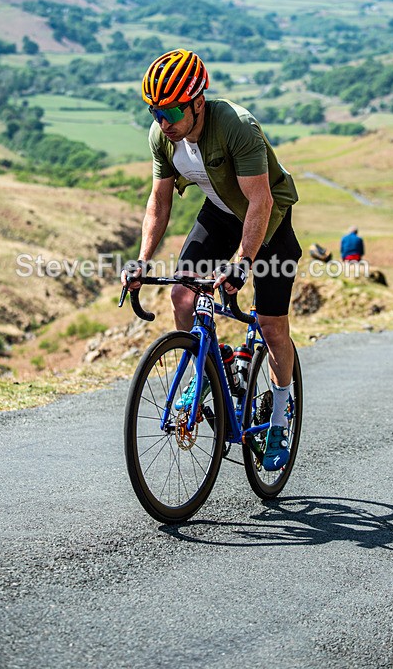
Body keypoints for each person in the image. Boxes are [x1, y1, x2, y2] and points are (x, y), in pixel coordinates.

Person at [122, 48, 302, 471]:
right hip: (221, 213)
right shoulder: (162, 136)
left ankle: (279, 415)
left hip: (268, 220)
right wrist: (142, 259)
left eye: (169, 110)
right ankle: (208, 368)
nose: (161, 121)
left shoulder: (236, 127)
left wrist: (242, 261)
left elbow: (261, 199)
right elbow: (159, 202)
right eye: (154, 110)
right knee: (183, 295)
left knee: (273, 327)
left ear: (197, 102)